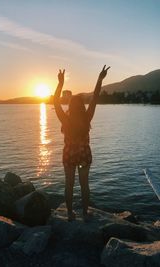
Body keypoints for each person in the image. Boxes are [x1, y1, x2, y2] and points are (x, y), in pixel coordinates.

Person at [54, 65, 110, 221]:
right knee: (84, 185)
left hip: (69, 154)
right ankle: (85, 213)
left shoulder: (65, 119)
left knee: (69, 184)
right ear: (82, 106)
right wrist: (99, 79)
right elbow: (95, 97)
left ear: (71, 106)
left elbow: (56, 103)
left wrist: (60, 83)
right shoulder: (87, 117)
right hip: (84, 153)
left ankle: (70, 214)